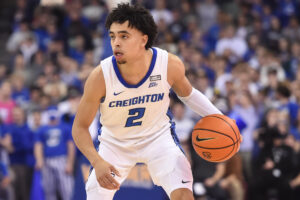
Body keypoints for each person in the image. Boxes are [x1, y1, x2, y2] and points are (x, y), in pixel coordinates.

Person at [72, 3, 222, 200]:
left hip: (158, 139)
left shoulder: (168, 64)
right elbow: (79, 127)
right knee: (95, 193)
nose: (116, 42)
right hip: (115, 143)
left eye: (124, 36)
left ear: (143, 39)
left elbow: (189, 95)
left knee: (184, 194)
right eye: (112, 36)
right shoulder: (100, 76)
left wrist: (220, 119)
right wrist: (97, 161)